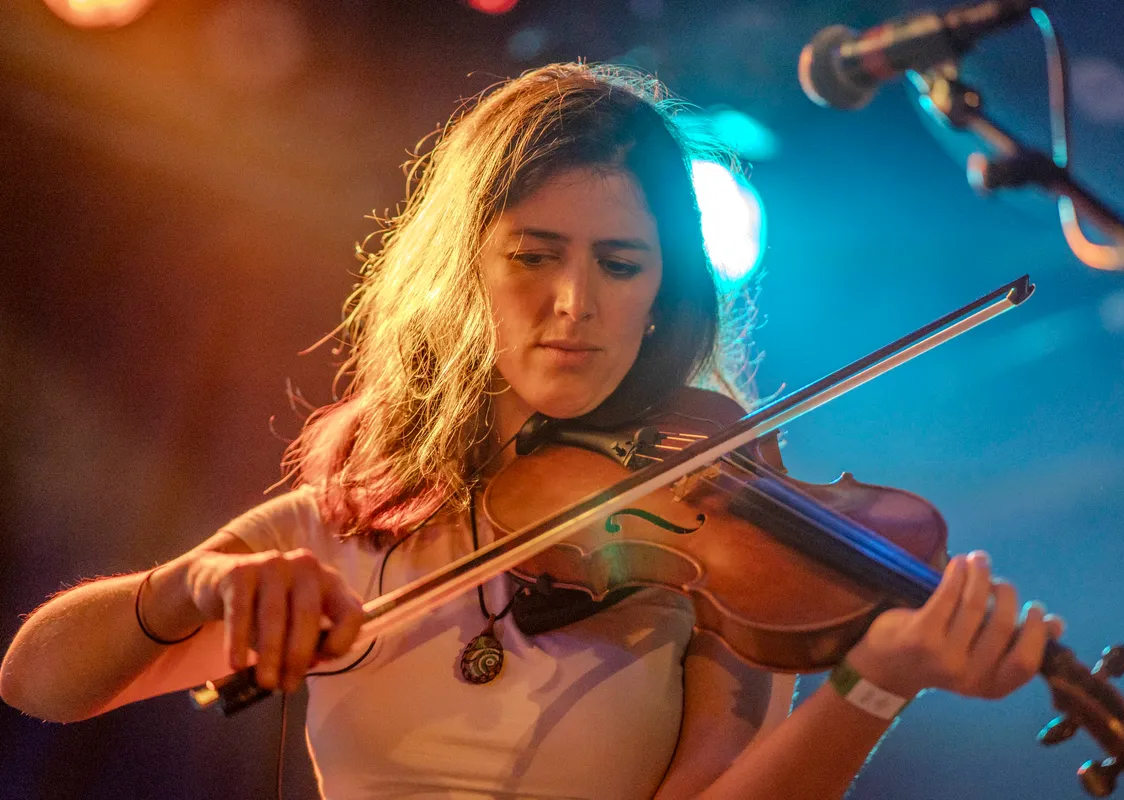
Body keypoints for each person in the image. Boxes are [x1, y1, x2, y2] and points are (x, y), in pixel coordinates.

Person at [0, 62, 1063, 799]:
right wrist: (193, 584)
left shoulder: (719, 536)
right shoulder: (347, 526)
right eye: (533, 255)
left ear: (663, 294)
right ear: (466, 268)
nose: (575, 303)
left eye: (621, 264)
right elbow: (37, 680)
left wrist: (875, 682)